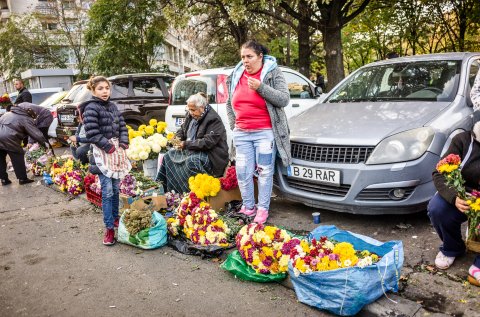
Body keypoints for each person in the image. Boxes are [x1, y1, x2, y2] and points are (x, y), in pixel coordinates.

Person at [226, 40, 291, 224]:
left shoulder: (272, 72)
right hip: (242, 133)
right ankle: (248, 206)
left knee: (264, 171)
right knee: (242, 172)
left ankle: (262, 209)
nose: (245, 61)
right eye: (243, 57)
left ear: (260, 57)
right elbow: (229, 102)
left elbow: (284, 99)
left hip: (264, 133)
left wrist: (260, 87)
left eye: (249, 56)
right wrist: (234, 124)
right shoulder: (236, 75)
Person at [427, 122, 480, 287]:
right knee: (438, 208)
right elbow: (439, 173)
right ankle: (452, 247)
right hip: (463, 196)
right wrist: (454, 197)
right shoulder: (463, 140)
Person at [81, 76, 131, 246]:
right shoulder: (91, 108)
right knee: (107, 191)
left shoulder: (113, 107)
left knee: (116, 189)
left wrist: (124, 142)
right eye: (100, 88)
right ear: (93, 90)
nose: (104, 91)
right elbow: (92, 133)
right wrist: (107, 147)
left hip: (117, 153)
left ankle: (116, 219)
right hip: (102, 153)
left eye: (107, 88)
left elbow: (122, 126)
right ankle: (109, 228)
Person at [156, 92, 229, 194]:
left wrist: (185, 144)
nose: (190, 112)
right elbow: (182, 129)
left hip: (210, 155)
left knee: (192, 161)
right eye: (189, 109)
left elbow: (207, 142)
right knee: (168, 156)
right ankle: (167, 192)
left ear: (202, 107)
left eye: (193, 110)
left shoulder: (213, 119)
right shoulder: (191, 115)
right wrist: (175, 139)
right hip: (192, 149)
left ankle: (192, 193)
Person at [0, 104, 47, 185]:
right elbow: (35, 133)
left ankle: (4, 179)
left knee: (0, 158)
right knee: (17, 156)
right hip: (10, 138)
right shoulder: (25, 118)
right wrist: (44, 143)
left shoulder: (7, 114)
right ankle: (22, 179)